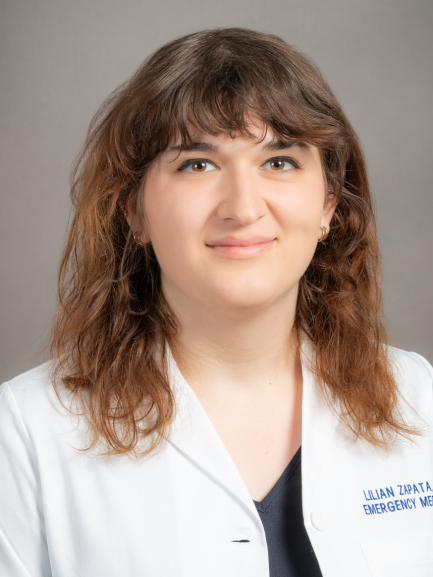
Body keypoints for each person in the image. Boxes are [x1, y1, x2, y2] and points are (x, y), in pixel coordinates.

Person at [0, 27, 432, 577]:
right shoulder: (26, 432)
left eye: (279, 161)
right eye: (197, 164)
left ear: (328, 203)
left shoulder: (419, 401)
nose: (243, 207)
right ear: (133, 210)